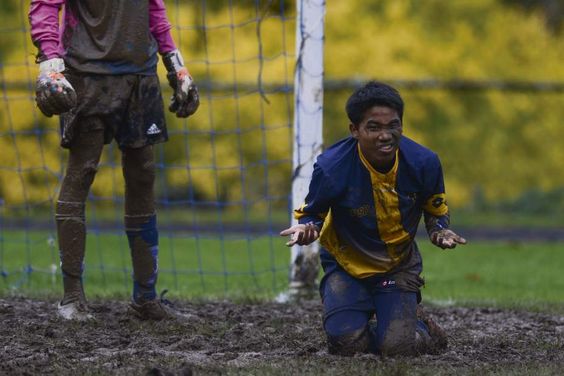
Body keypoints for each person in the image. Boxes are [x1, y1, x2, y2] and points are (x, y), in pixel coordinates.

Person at [29, 0, 199, 321]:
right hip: (86, 74)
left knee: (143, 175)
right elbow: (45, 4)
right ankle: (72, 299)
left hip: (140, 74)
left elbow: (154, 7)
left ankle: (145, 300)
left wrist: (175, 64)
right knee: (83, 171)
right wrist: (50, 61)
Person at [280, 81, 466, 356]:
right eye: (374, 127)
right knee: (346, 344)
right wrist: (308, 228)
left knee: (397, 348)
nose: (386, 135)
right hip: (345, 264)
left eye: (393, 126)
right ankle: (367, 316)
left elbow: (435, 210)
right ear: (354, 130)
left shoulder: (424, 163)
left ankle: (420, 328)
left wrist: (439, 230)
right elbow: (312, 213)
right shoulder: (332, 167)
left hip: (397, 264)